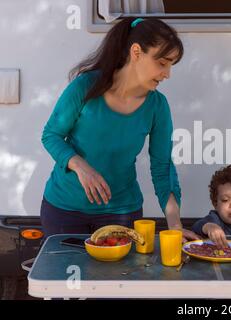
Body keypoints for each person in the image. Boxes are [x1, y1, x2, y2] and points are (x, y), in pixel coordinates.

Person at [40, 17, 199, 242]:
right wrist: (80, 166)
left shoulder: (158, 106)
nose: (167, 73)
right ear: (136, 52)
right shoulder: (85, 87)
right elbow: (51, 135)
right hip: (64, 210)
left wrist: (175, 225)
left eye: (171, 65)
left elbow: (162, 167)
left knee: (117, 277)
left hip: (121, 213)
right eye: (162, 63)